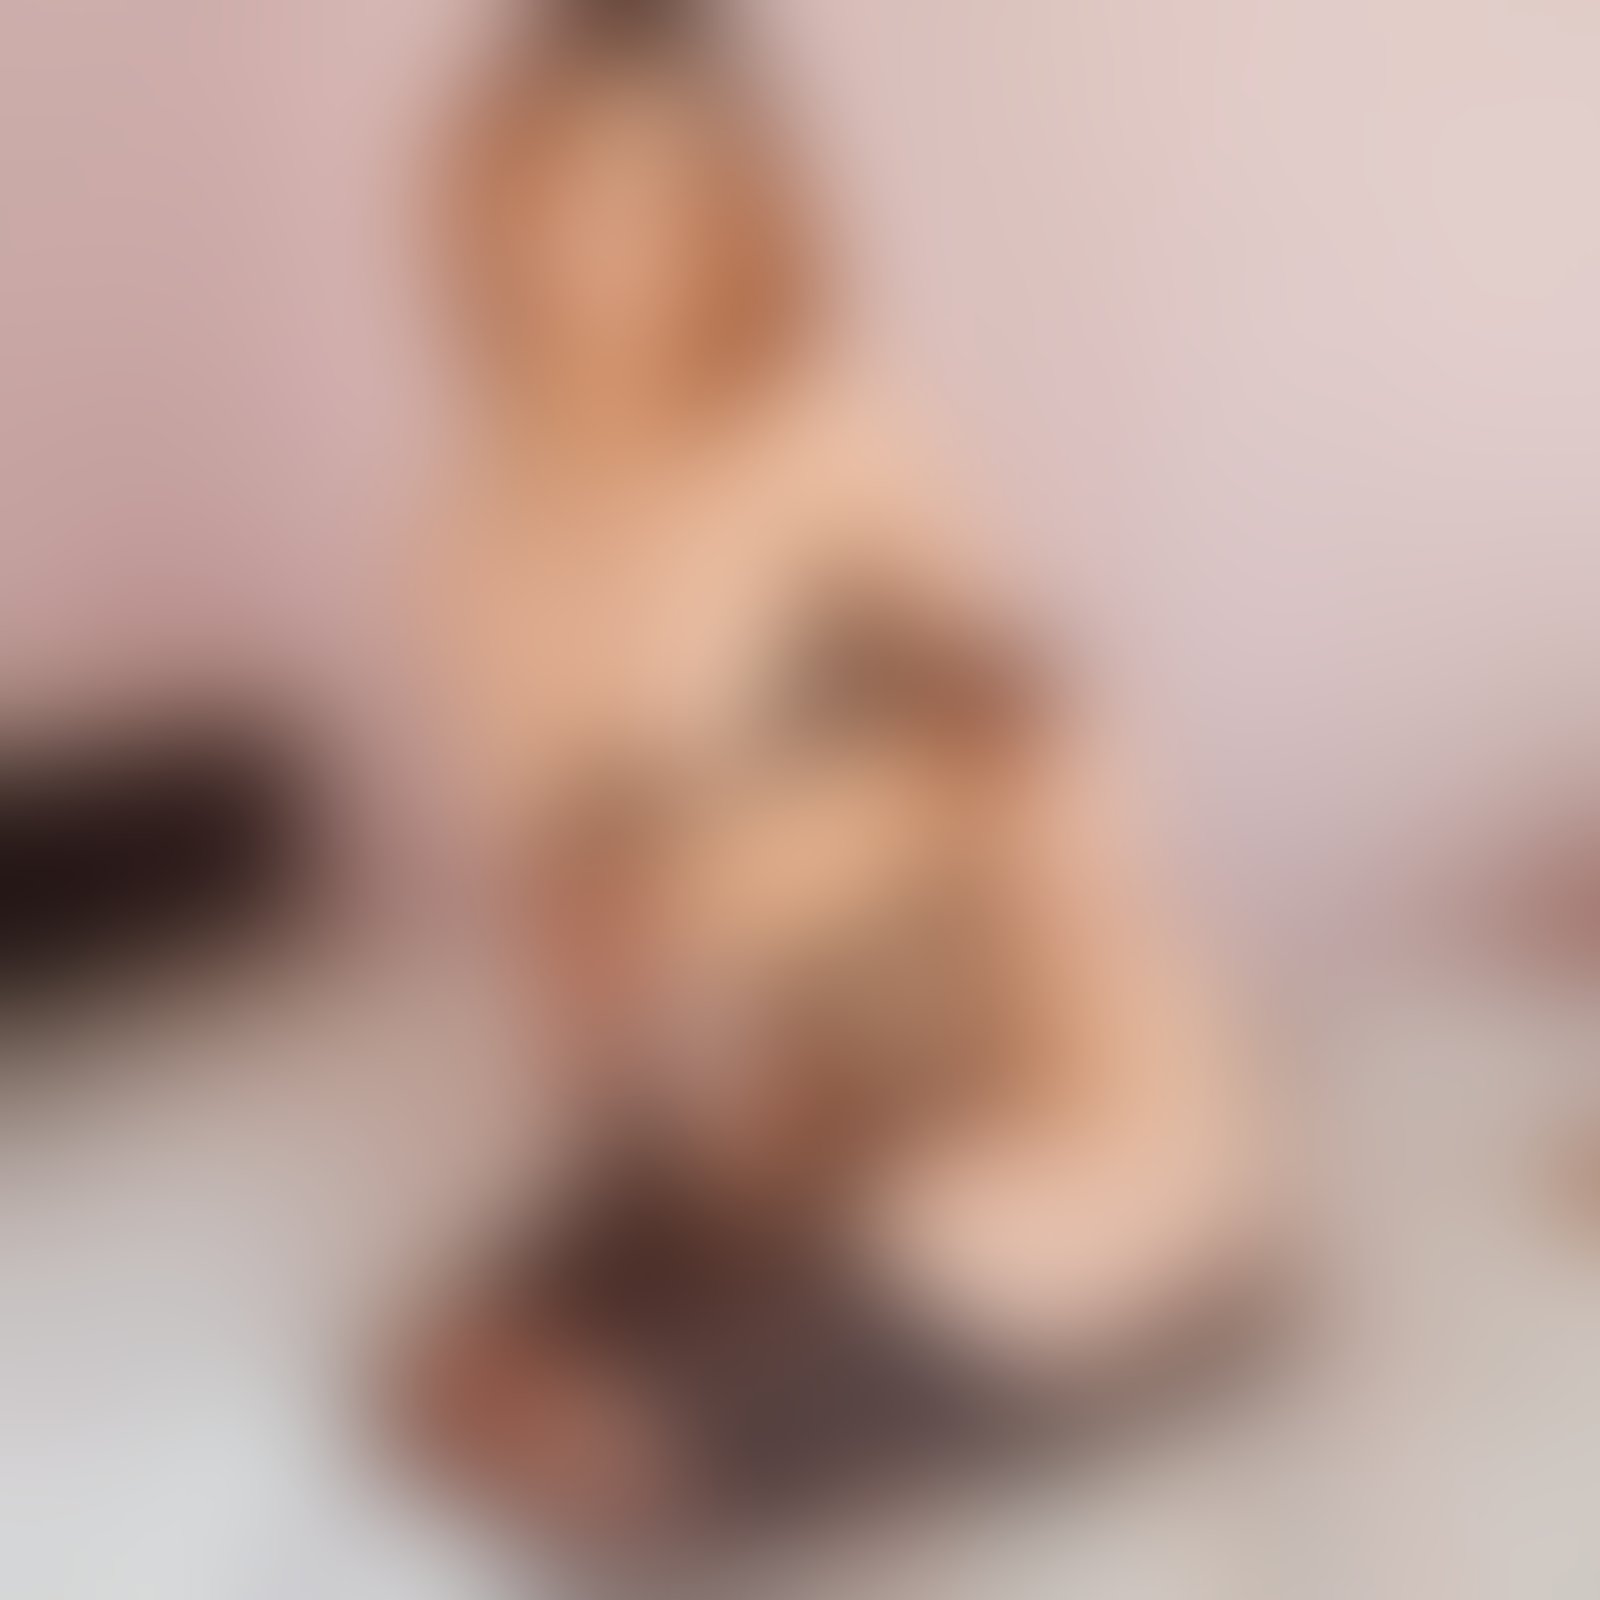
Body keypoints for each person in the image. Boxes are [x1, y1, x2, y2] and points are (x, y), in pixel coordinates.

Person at [406, 0, 1263, 1553]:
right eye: (546, 191)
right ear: (481, 200)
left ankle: (1032, 1300)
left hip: (1001, 995)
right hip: (783, 1062)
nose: (584, 247)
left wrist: (1058, 1048)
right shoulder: (477, 535)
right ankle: (761, 1352)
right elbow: (573, 914)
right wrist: (626, 1170)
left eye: (644, 194)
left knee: (1100, 1219)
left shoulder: (827, 430)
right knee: (469, 1381)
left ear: (732, 205)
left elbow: (1029, 738)